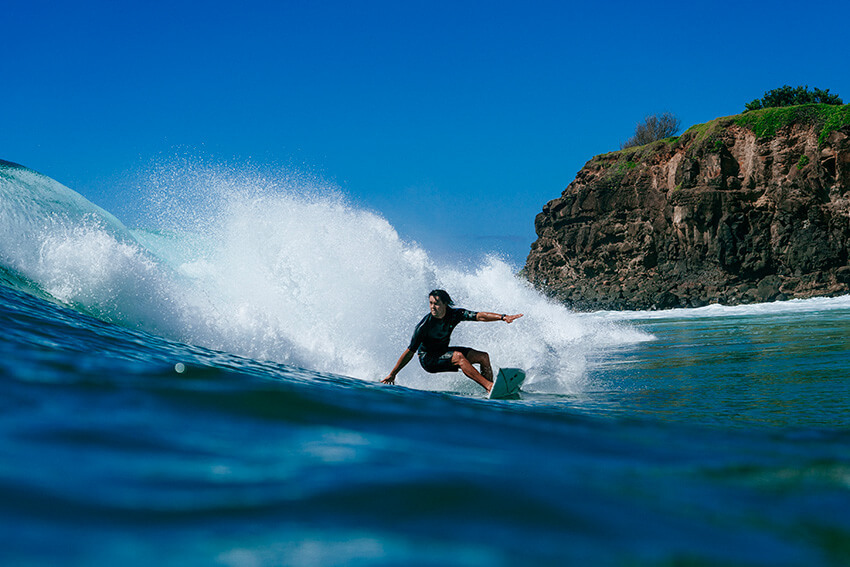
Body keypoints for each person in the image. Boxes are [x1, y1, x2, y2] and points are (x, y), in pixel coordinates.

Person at [382, 289, 523, 392]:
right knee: (459, 357)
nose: (432, 307)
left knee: (483, 357)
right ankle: (489, 386)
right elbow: (409, 352)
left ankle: (491, 390)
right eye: (430, 303)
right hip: (429, 360)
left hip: (443, 352)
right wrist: (393, 374)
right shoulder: (424, 326)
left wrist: (503, 317)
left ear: (445, 304)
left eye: (436, 303)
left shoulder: (455, 314)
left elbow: (479, 316)